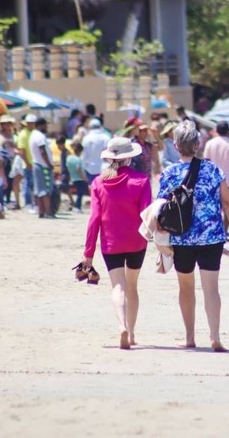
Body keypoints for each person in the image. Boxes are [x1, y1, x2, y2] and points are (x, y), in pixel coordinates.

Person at [158, 121, 229, 352]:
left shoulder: (169, 173)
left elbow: (160, 209)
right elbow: (228, 202)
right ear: (197, 144)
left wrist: (160, 242)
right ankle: (214, 336)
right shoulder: (213, 170)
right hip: (212, 237)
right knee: (211, 288)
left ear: (175, 145)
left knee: (186, 288)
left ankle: (190, 337)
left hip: (181, 238)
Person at [83, 136, 153, 349]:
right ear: (130, 158)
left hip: (111, 243)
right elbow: (147, 215)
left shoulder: (98, 183)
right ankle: (131, 334)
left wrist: (88, 252)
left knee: (118, 287)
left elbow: (94, 218)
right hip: (136, 242)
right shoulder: (141, 181)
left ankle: (121, 325)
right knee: (132, 286)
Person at [203, 122, 229, 201]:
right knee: (228, 205)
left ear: (216, 131)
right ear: (228, 131)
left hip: (214, 180)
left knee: (216, 206)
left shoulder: (209, 144)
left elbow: (206, 163)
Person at [30, 117, 56, 218]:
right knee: (46, 190)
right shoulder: (40, 136)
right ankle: (48, 212)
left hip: (37, 164)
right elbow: (42, 151)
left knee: (39, 190)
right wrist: (49, 164)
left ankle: (41, 212)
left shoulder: (33, 135)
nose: (46, 127)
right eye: (45, 125)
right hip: (43, 166)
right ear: (40, 125)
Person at [16, 114, 36, 210]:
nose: (31, 125)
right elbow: (21, 151)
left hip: (35, 162)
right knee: (28, 184)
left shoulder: (34, 133)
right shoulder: (23, 135)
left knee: (34, 185)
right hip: (28, 163)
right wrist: (27, 163)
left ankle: (34, 203)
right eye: (29, 123)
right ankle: (28, 203)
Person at [81, 118, 110, 182]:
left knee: (93, 189)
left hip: (91, 169)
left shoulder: (86, 138)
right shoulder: (105, 137)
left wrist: (83, 168)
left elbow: (84, 155)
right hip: (104, 168)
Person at [65, 140, 88, 213]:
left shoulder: (69, 158)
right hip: (79, 179)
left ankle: (74, 206)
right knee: (80, 194)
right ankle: (77, 207)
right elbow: (78, 169)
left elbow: (67, 167)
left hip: (72, 178)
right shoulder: (78, 160)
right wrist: (84, 178)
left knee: (75, 193)